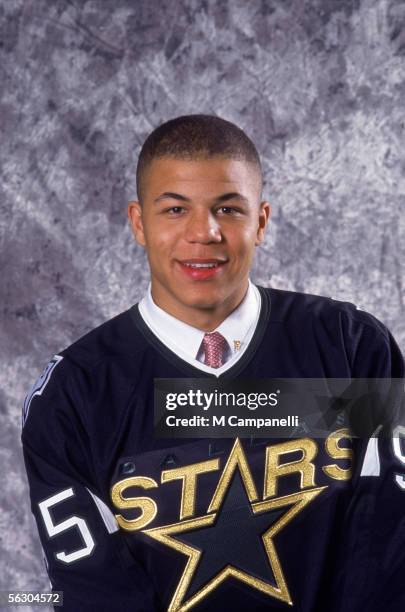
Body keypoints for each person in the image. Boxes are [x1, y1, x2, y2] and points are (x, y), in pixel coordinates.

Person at [22, 115, 405, 611]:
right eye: (175, 209)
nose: (203, 233)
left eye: (227, 209)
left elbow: (389, 546)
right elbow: (93, 592)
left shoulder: (349, 348)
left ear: (261, 221)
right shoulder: (74, 395)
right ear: (139, 223)